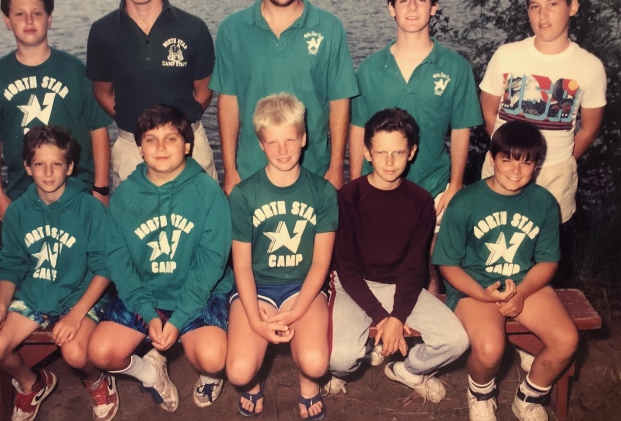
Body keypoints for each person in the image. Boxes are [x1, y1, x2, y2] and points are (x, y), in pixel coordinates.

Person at [87, 104, 232, 413]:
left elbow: (210, 265)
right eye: (151, 139)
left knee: (214, 358)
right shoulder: (125, 196)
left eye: (171, 138)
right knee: (101, 353)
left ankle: (209, 375)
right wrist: (148, 313)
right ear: (139, 148)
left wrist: (177, 320)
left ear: (188, 145)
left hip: (197, 292)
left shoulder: (208, 192)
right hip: (147, 293)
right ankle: (151, 372)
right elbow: (120, 263)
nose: (161, 147)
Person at [432, 120, 579, 421]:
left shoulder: (544, 202)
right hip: (474, 284)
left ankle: (529, 396)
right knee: (489, 349)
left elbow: (548, 260)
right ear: (492, 159)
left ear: (537, 166)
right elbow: (446, 263)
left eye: (526, 162)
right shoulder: (466, 201)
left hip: (524, 282)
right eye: (507, 159)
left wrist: (522, 293)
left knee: (566, 340)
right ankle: (481, 393)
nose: (515, 170)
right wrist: (483, 296)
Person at [349, 0, 483, 291]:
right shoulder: (369, 69)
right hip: (380, 184)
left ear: (434, 6)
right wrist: (355, 186)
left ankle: (434, 340)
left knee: (431, 266)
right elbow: (356, 130)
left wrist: (454, 185)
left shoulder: (455, 68)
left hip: (434, 185)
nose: (412, 8)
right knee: (382, 269)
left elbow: (462, 129)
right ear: (390, 8)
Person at [326, 108, 468, 402]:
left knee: (456, 341)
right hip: (354, 285)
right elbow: (347, 269)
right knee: (339, 359)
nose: (389, 162)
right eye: (381, 153)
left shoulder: (420, 201)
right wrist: (382, 317)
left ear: (412, 152)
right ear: (367, 152)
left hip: (401, 288)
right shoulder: (348, 197)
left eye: (399, 153)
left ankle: (409, 369)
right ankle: (360, 353)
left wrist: (397, 315)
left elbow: (414, 266)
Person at [211, 0, 359, 194]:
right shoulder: (233, 29)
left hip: (313, 171)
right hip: (250, 172)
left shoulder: (329, 27)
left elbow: (340, 101)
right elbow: (229, 101)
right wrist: (230, 170)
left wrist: (337, 167)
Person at [0, 126, 115, 421]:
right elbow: (10, 263)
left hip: (80, 295)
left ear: (69, 167)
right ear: (28, 167)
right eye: (39, 164)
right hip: (36, 295)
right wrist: (2, 308)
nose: (49, 172)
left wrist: (76, 314)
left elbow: (105, 267)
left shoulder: (90, 208)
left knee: (76, 353)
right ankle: (33, 383)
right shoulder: (18, 212)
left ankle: (97, 380)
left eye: (57, 164)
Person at [226, 93, 338, 420]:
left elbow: (321, 263)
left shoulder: (323, 192)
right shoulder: (245, 194)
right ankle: (253, 386)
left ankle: (308, 384)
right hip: (257, 286)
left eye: (290, 139)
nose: (283, 150)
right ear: (260, 144)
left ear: (303, 138)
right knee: (239, 371)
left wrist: (296, 311)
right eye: (272, 142)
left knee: (316, 362)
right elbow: (242, 266)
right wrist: (257, 320)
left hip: (303, 286)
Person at [0, 0, 112, 221]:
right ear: (7, 20)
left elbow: (98, 130)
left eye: (37, 13)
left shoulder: (75, 70)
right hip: (22, 193)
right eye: (19, 14)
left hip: (78, 190)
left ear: (49, 19)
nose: (29, 21)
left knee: (80, 256)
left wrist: (100, 188)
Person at [86, 0, 218, 187]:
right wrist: (137, 125)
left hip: (189, 146)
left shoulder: (193, 28)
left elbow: (205, 90)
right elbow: (102, 92)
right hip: (130, 150)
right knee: (131, 226)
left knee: (204, 225)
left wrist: (175, 130)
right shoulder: (101, 32)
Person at [479, 0, 606, 227]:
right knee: (492, 234)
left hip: (554, 174)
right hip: (501, 168)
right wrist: (507, 152)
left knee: (545, 248)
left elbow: (589, 129)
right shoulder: (507, 55)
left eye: (552, 4)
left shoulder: (589, 66)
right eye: (535, 6)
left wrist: (563, 161)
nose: (543, 15)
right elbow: (489, 111)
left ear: (572, 7)